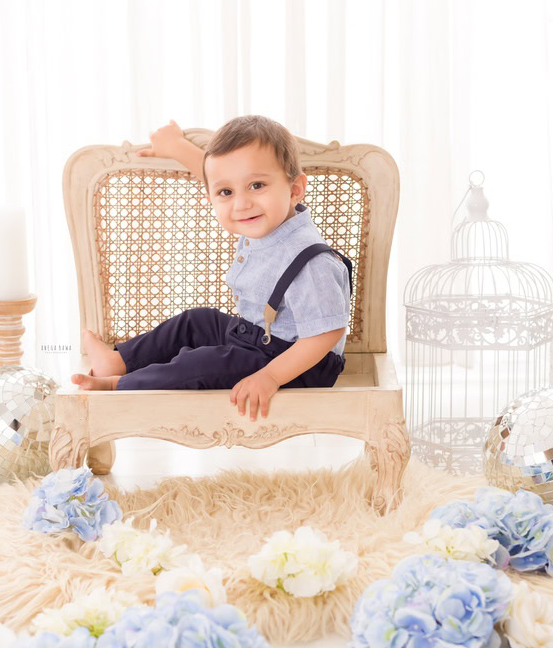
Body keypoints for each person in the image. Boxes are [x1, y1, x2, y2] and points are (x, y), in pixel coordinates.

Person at [71, 115, 353, 421]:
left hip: (296, 364)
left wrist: (270, 377)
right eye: (227, 193)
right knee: (195, 321)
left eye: (257, 185)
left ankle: (119, 385)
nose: (240, 204)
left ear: (296, 189)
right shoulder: (264, 218)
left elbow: (327, 333)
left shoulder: (309, 259)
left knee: (202, 363)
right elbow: (218, 175)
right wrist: (177, 147)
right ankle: (119, 361)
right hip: (258, 337)